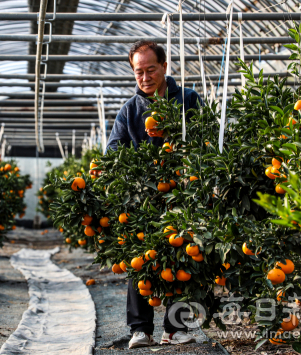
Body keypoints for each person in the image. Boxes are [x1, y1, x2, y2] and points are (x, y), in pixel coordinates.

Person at [105, 41, 203, 348]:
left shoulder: (187, 99)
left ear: (164, 67)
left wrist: (173, 137)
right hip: (143, 200)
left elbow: (205, 139)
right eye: (139, 71)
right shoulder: (130, 110)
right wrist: (141, 155)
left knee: (182, 258)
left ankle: (175, 328)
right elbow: (112, 152)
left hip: (183, 194)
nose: (145, 77)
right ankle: (141, 329)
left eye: (150, 69)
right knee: (140, 259)